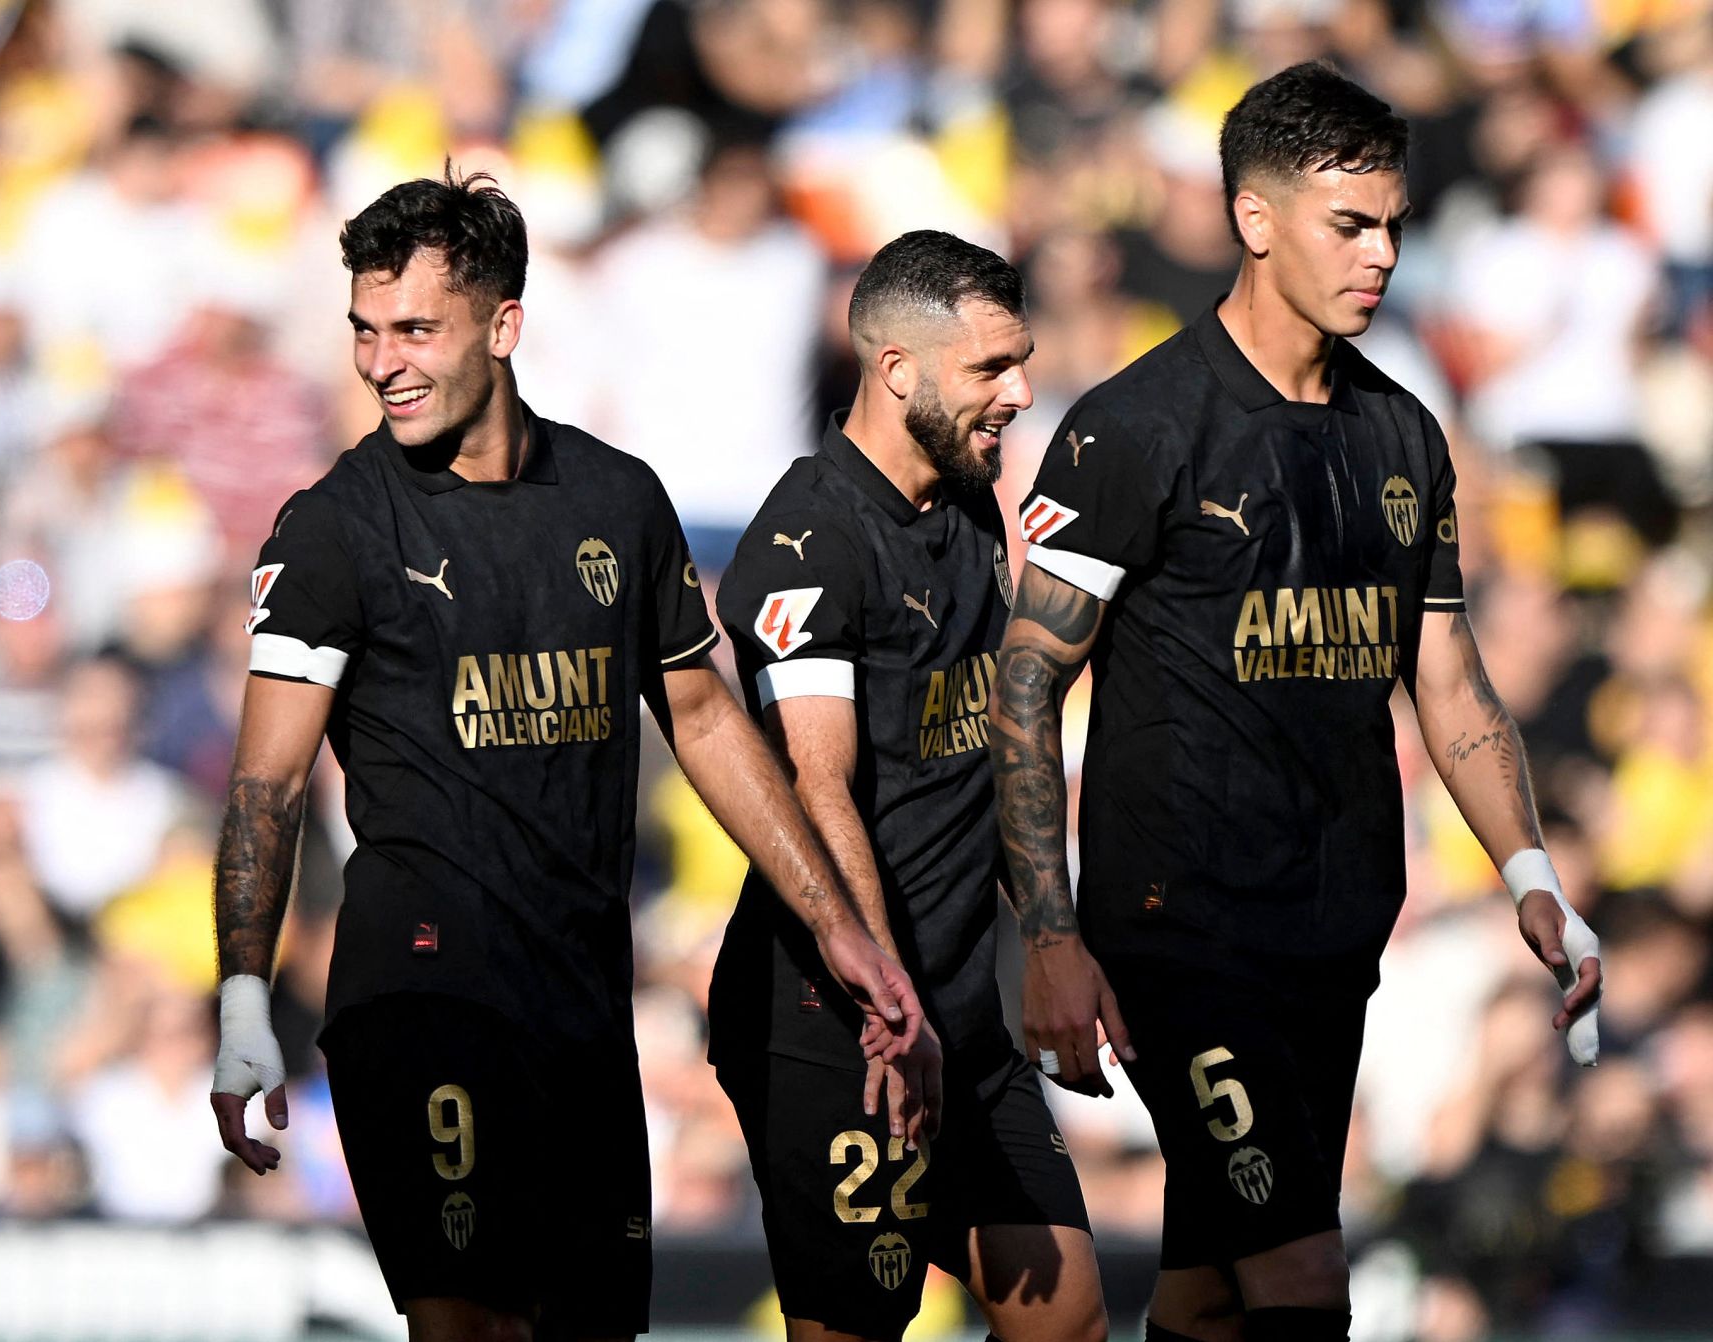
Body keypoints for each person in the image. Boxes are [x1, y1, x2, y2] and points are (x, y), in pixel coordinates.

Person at [205, 167, 934, 1342]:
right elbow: (266, 782)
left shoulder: (620, 502)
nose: (382, 360)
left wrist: (840, 920)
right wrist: (243, 992)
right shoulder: (334, 528)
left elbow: (704, 720)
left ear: (503, 327)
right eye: (365, 331)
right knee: (473, 1326)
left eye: (416, 330)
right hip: (423, 989)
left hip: (580, 1003)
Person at [989, 63, 1605, 1342]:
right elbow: (1026, 681)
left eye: (1393, 224)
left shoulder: (1406, 438)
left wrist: (1528, 869)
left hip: (1334, 924)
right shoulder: (1136, 428)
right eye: (1350, 224)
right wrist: (1051, 934)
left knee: (1213, 1287)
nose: (1381, 254)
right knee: (1302, 1277)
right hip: (1183, 928)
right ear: (1254, 219)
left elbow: (1444, 673)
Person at [709, 231, 1106, 1342]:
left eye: (1021, 361)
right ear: (898, 370)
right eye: (992, 369)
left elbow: (1001, 740)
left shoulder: (972, 506)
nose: (1022, 392)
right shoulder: (806, 543)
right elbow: (818, 786)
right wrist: (888, 1010)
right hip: (836, 1019)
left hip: (962, 1011)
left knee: (1066, 1317)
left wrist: (1054, 935)